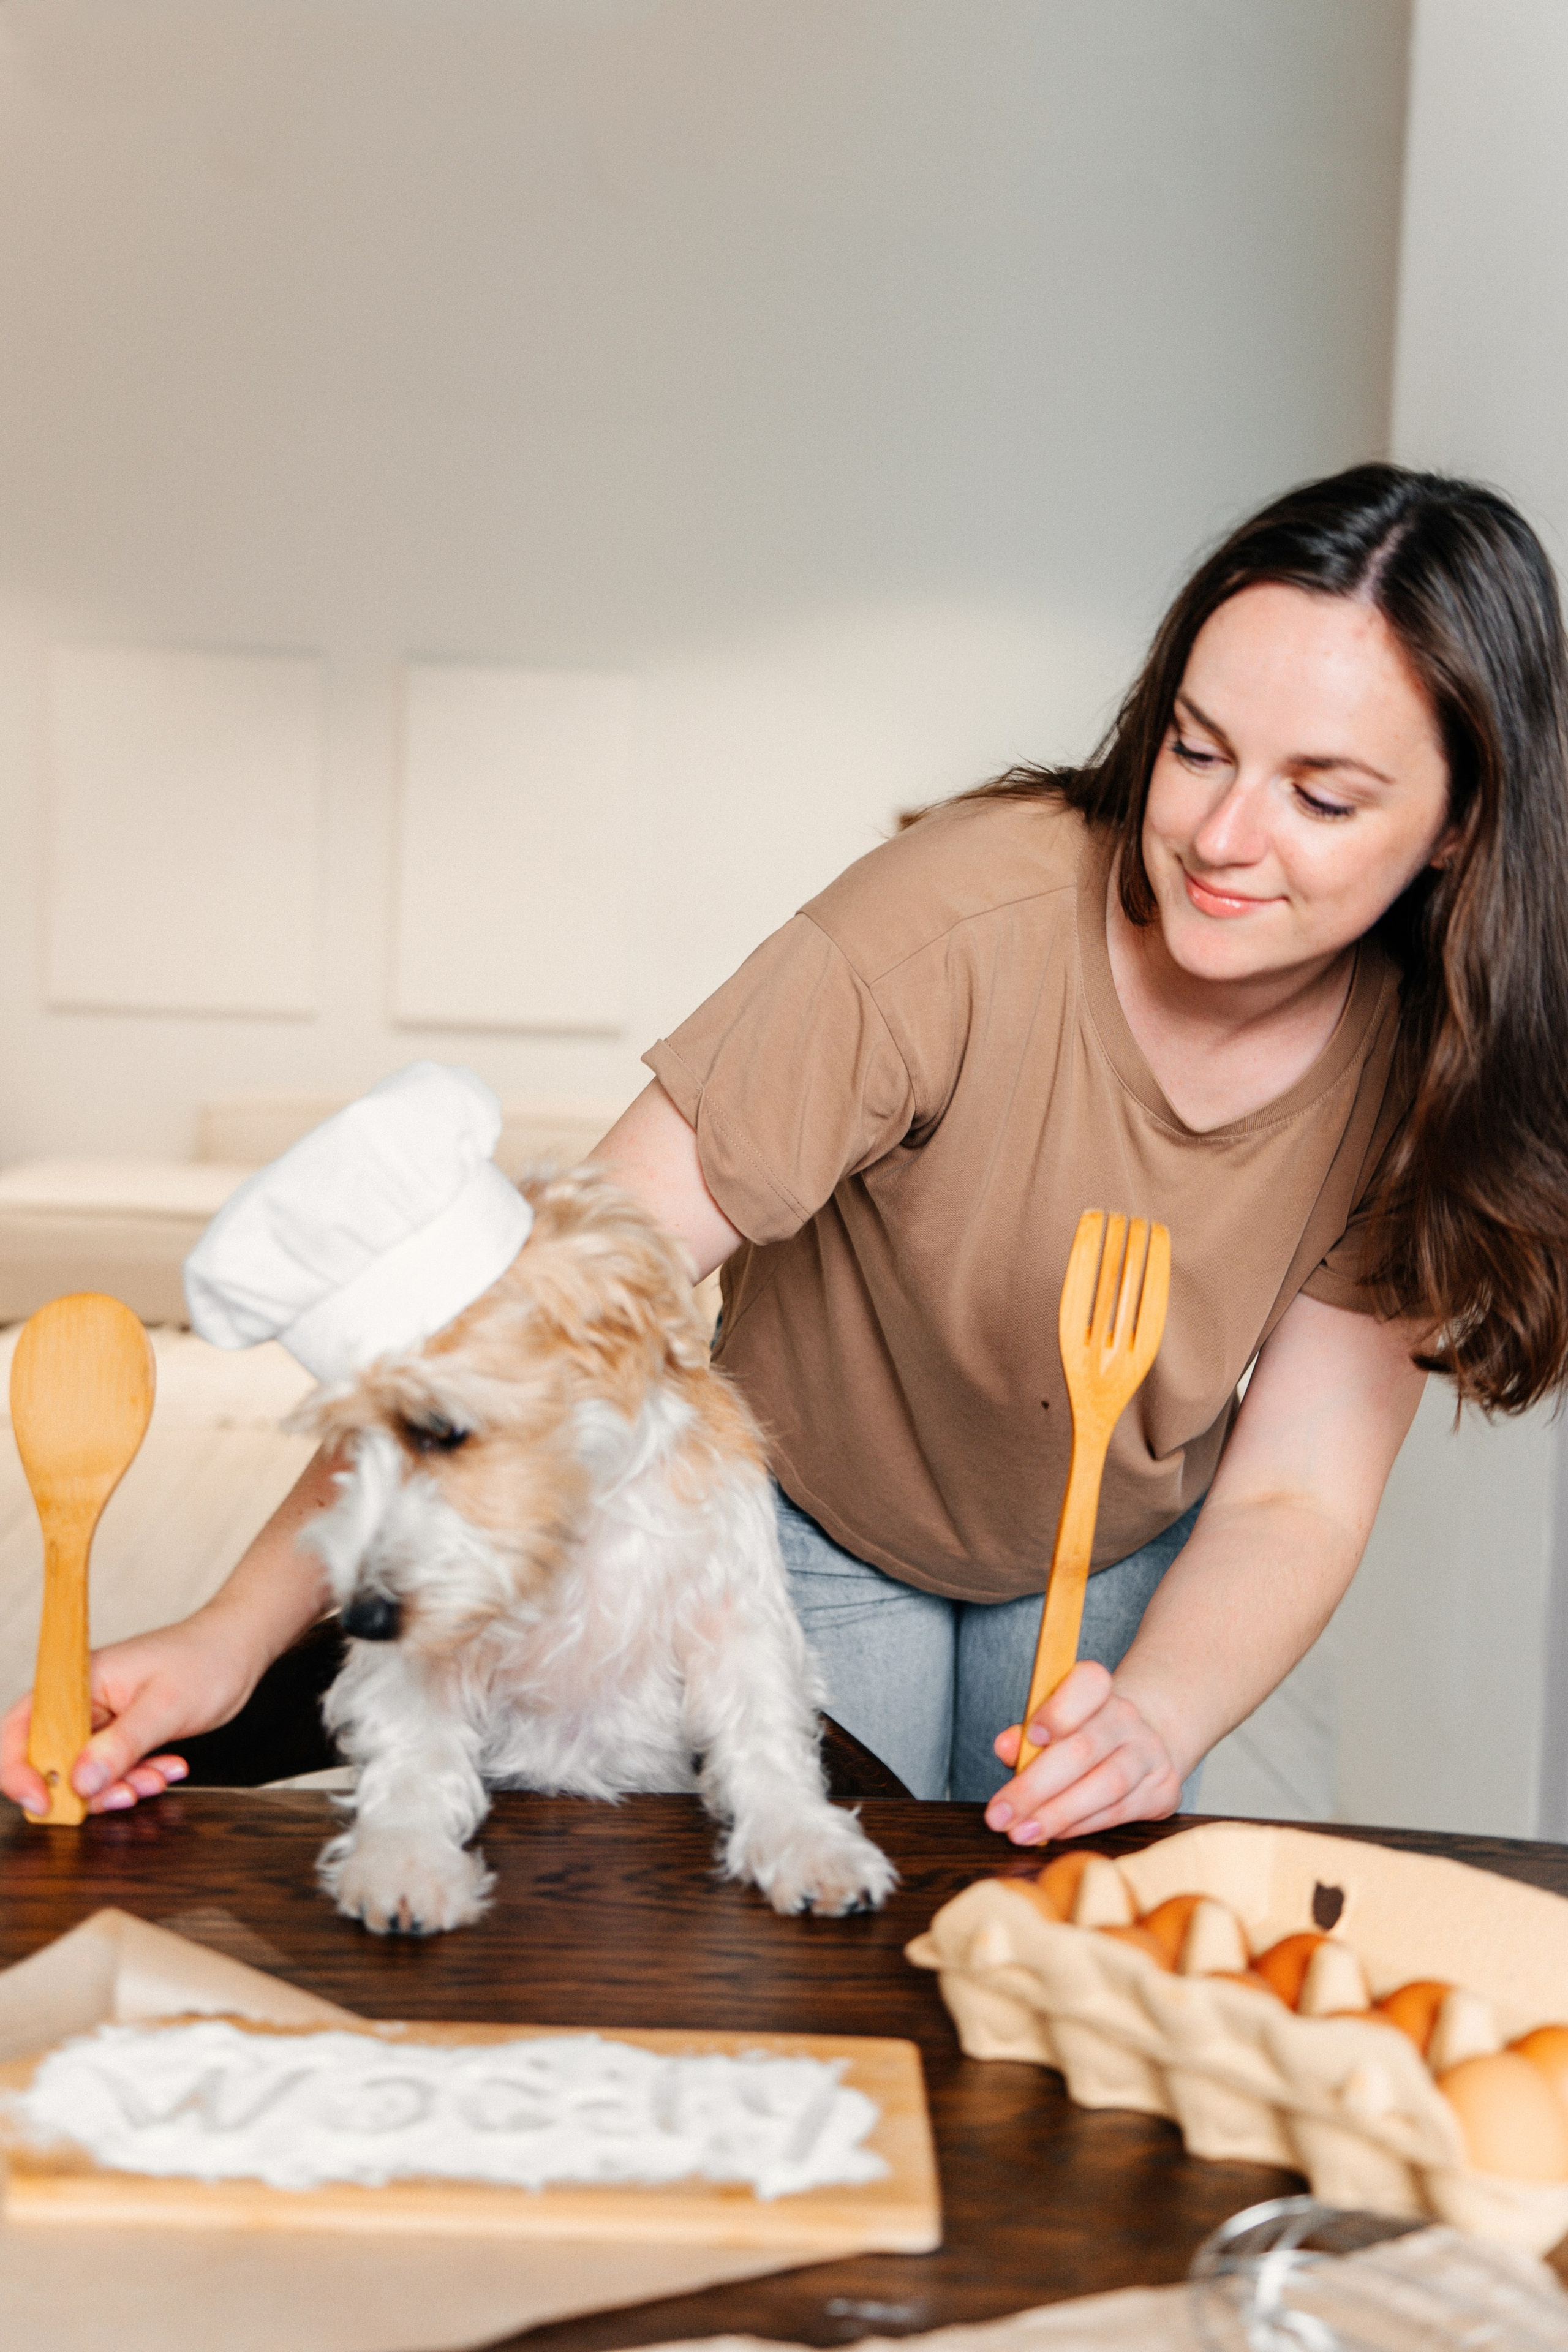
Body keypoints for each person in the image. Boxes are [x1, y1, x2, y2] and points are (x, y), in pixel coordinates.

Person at [7, 462, 1568, 1850]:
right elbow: (533, 1319)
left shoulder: (1429, 1067)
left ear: (1454, 824)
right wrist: (232, 1632)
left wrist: (1152, 1716)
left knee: (1033, 1911)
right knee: (841, 1917)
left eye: (1320, 795)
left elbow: (1292, 1491)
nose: (1224, 838)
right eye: (1196, 749)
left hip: (1114, 1535)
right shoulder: (943, 928)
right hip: (819, 1507)